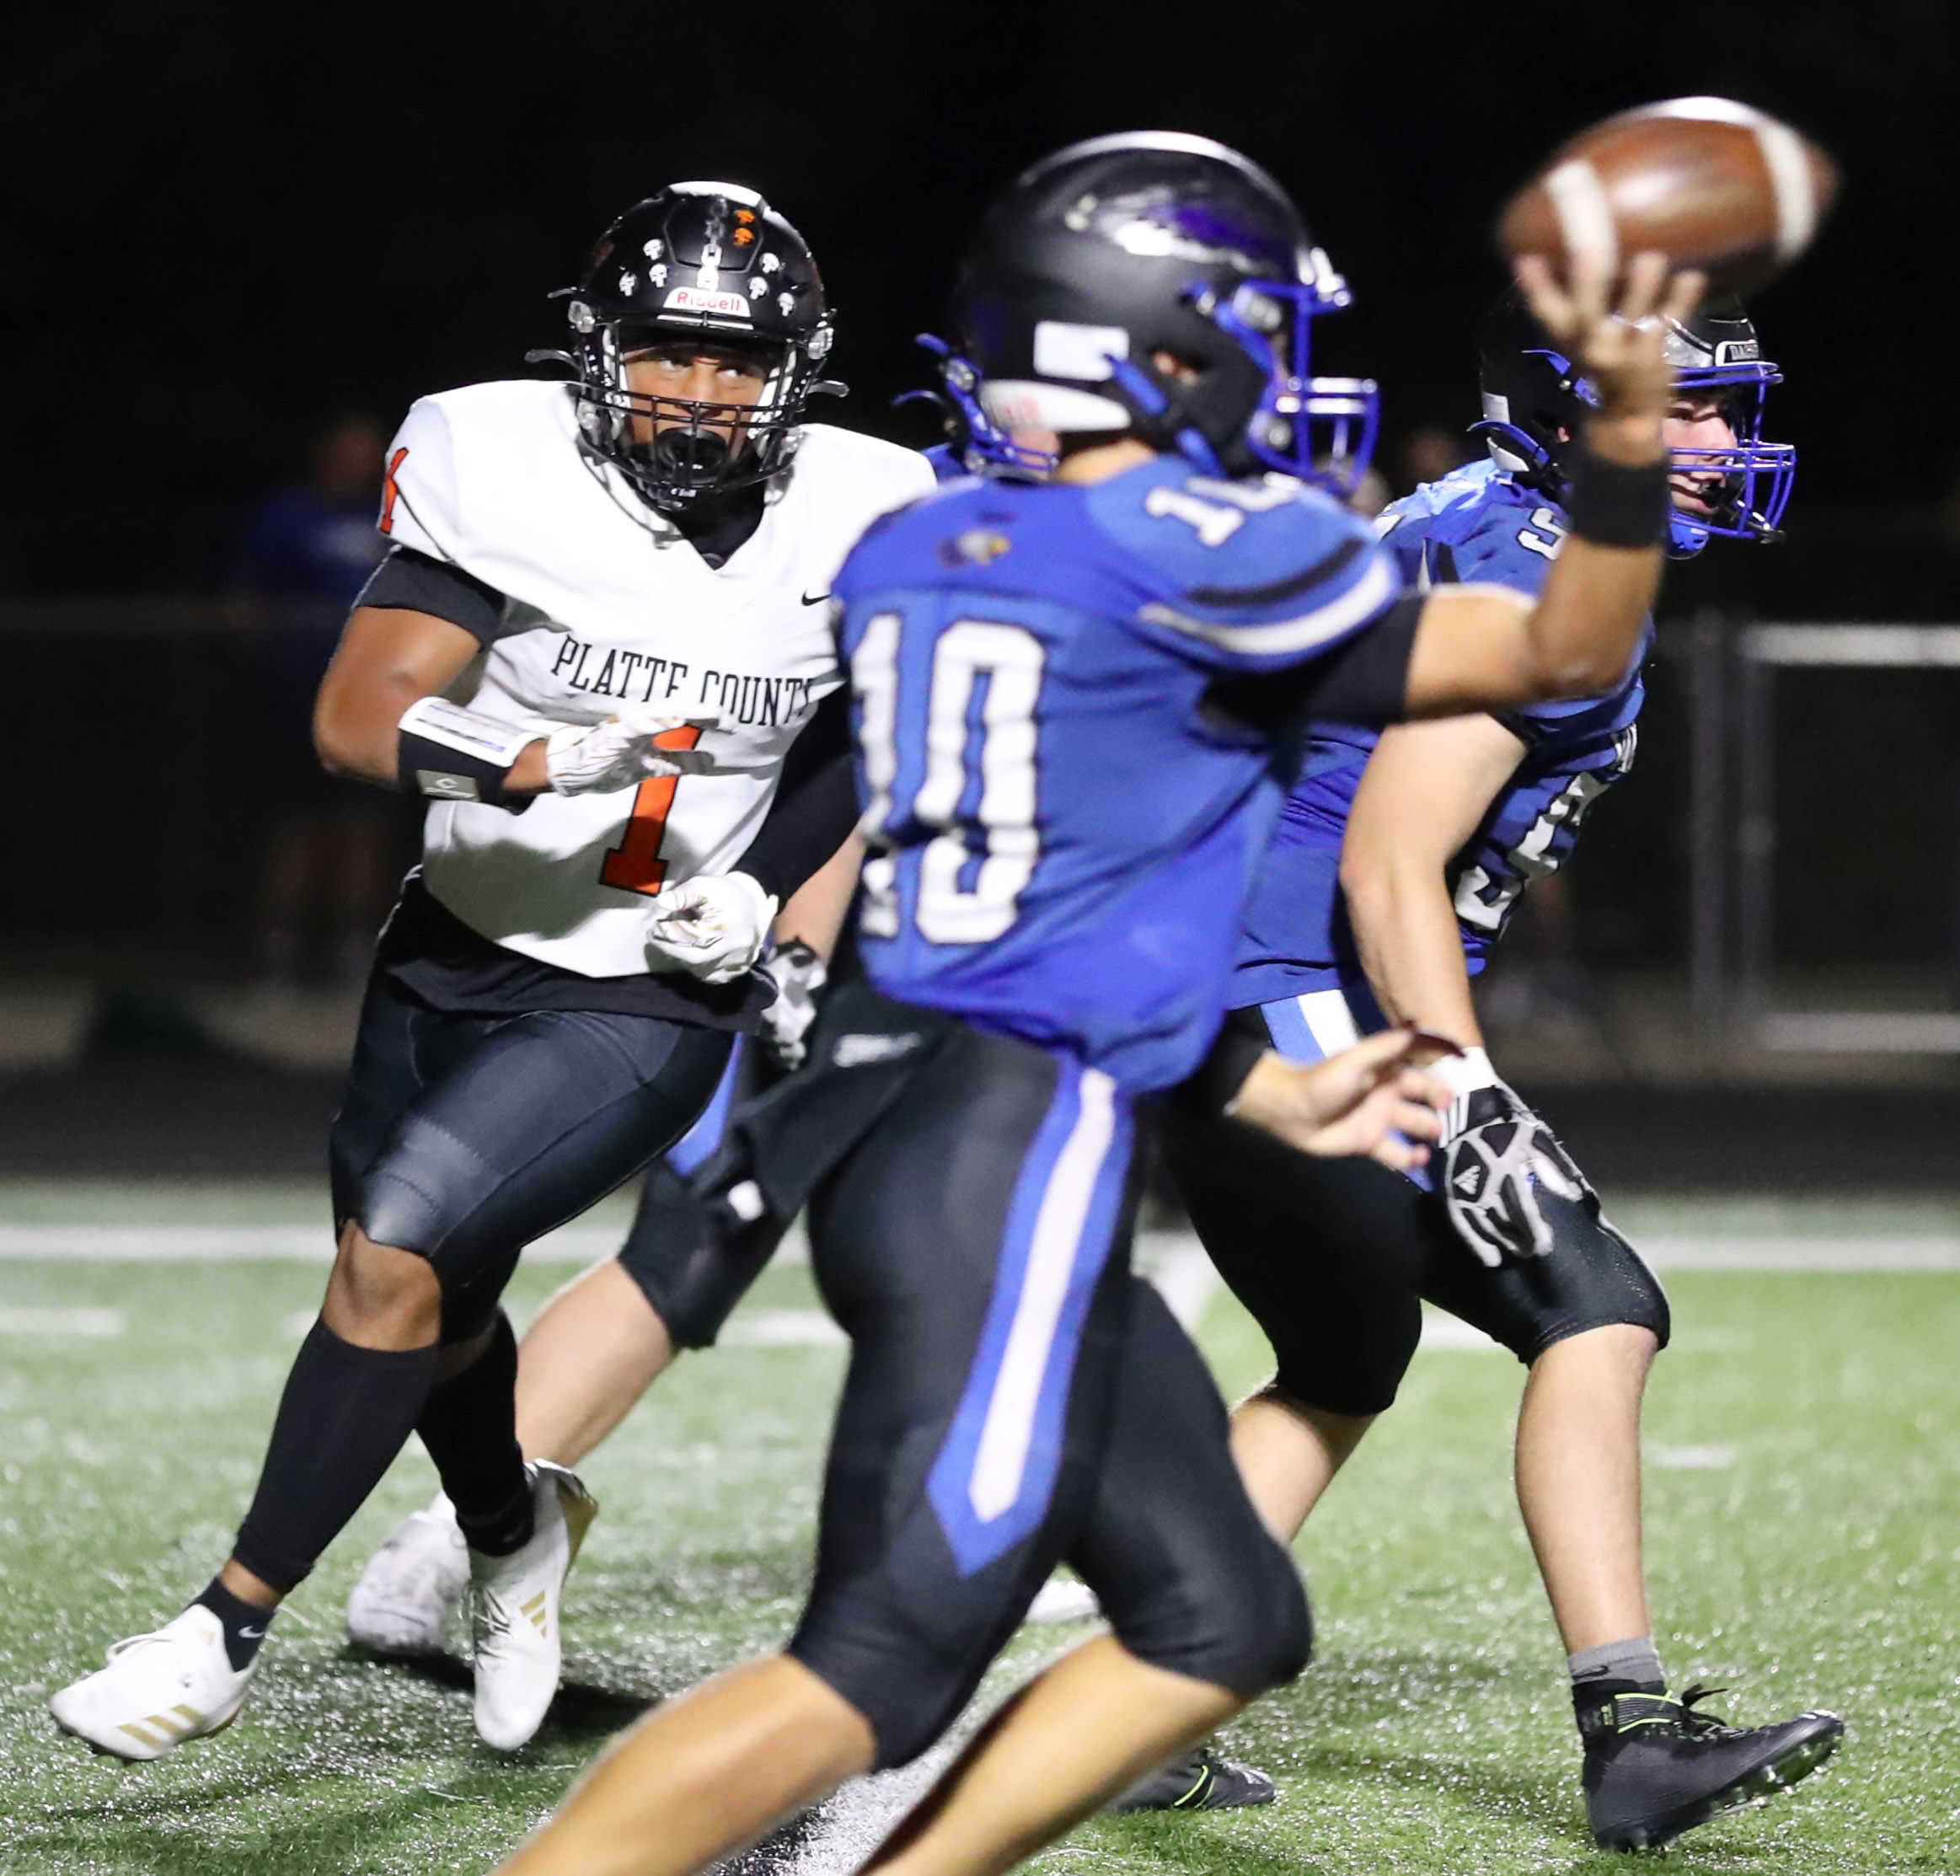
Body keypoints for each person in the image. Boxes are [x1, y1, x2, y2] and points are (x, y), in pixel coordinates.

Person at [485, 130, 1709, 1876]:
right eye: (1253, 328)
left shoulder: (930, 549)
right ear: (1161, 347)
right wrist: (1622, 436)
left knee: (1223, 1618)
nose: (1280, 368)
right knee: (875, 1665)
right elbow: (1564, 651)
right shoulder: (1207, 554)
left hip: (924, 1097)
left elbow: (1050, 905)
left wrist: (1250, 1084)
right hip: (1014, 1154)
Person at [48, 180, 935, 1761]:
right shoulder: (500, 461)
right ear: (598, 350)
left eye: (739, 362)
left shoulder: (868, 505)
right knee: (435, 1295)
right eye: (668, 352)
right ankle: (515, 1533)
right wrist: (516, 759)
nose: (701, 392)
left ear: (796, 374)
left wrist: (761, 888)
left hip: (645, 983)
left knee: (396, 1250)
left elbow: (873, 732)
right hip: (449, 944)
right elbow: (353, 714)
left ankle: (220, 1628)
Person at [1155, 292, 1840, 1852]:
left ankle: (1144, 1703)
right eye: (1678, 407)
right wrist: (1460, 1082)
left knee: (1342, 1355)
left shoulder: (1482, 514)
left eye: (1720, 408)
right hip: (1286, 987)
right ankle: (1632, 1735)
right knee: (1594, 1303)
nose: (1717, 441)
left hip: (1217, 985)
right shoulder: (1543, 575)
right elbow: (1389, 862)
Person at [233, 415, 399, 985]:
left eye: (368, 452)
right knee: (298, 825)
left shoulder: (395, 515)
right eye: (349, 451)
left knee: (362, 826)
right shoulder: (290, 516)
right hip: (301, 696)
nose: (360, 463)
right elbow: (250, 597)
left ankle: (354, 951)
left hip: (377, 700)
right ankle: (279, 951)